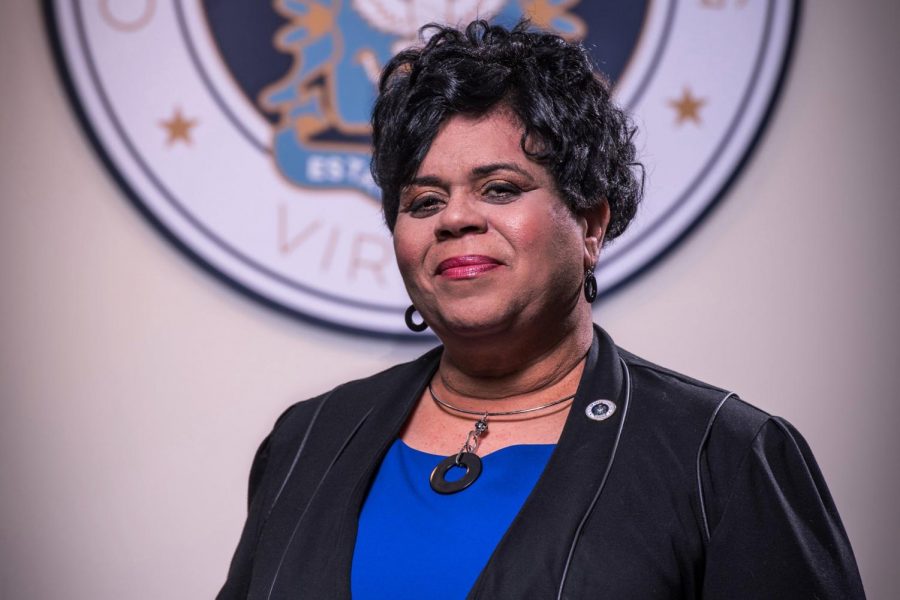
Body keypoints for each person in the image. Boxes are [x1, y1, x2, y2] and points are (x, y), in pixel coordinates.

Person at [218, 20, 864, 599]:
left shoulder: (722, 455)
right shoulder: (308, 440)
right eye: (423, 202)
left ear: (590, 223)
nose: (456, 218)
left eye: (499, 188)